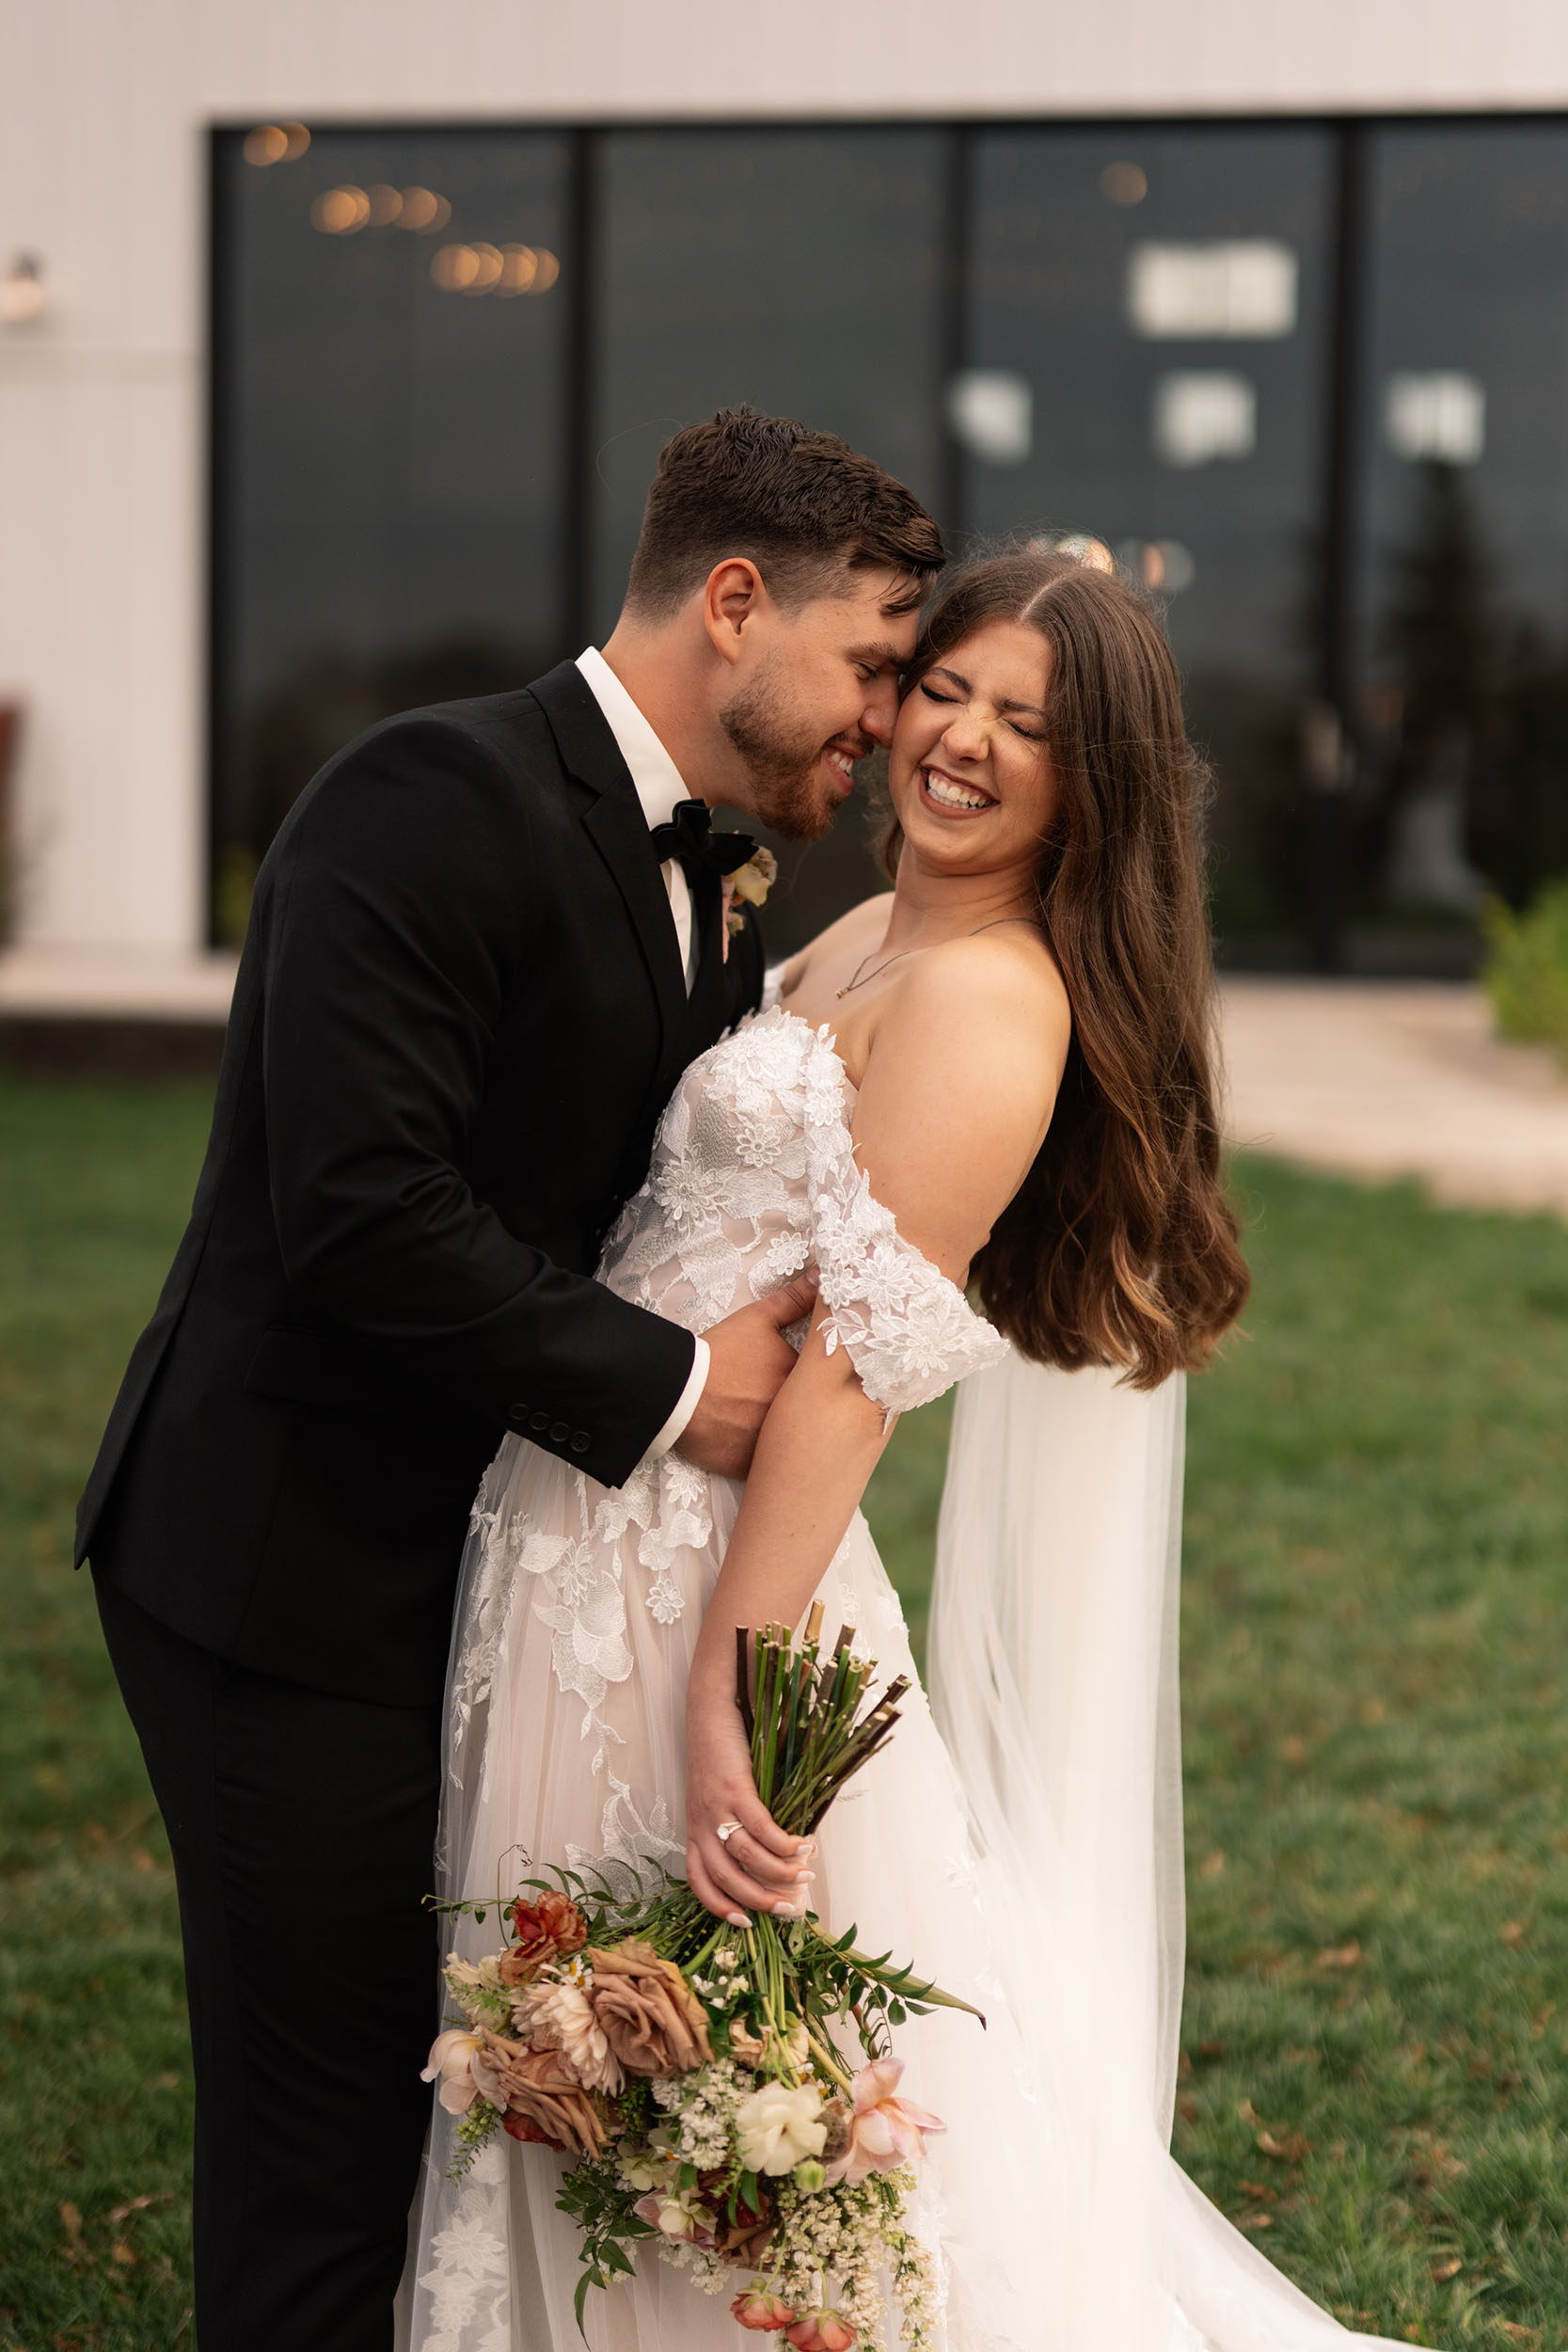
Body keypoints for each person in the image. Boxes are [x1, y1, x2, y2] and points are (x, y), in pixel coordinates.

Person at [404, 548, 1427, 2351]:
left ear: (1089, 774)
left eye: (1023, 722)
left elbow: (853, 1383)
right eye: (942, 688)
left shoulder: (990, 1004)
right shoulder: (884, 927)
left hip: (706, 1582)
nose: (959, 739)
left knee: (690, 2087)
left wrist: (731, 1681)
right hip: (589, 1521)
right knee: (580, 2067)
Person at [75, 407, 945, 2352]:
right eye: (876, 662)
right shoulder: (421, 798)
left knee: (469, 2113)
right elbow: (360, 1208)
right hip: (284, 1575)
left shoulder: (723, 869)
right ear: (736, 603)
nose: (885, 723)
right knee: (328, 2155)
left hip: (472, 1579)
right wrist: (671, 1388)